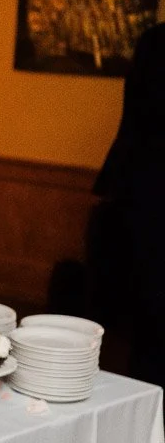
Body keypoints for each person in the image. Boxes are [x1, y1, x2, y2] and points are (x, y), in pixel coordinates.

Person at [88, 22, 165, 390]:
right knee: (151, 332)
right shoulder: (157, 43)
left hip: (140, 192)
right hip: (149, 197)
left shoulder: (154, 41)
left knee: (148, 334)